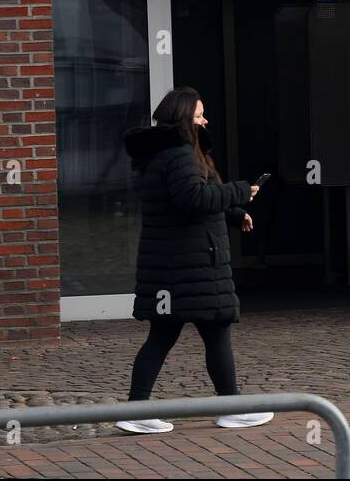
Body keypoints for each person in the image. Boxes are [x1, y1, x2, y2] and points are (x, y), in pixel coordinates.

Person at [115, 87, 269, 434]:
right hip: (188, 264)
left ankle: (140, 408)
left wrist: (233, 211)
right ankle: (229, 406)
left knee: (172, 334)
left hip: (176, 265)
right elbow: (193, 198)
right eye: (200, 115)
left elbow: (187, 199)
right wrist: (240, 191)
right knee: (210, 331)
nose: (205, 120)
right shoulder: (181, 154)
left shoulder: (162, 154)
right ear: (185, 118)